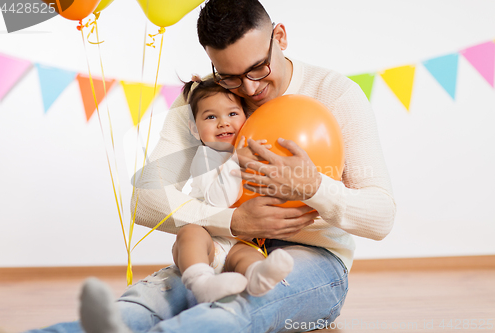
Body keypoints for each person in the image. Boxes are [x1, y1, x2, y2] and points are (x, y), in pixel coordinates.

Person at [27, 0, 396, 332]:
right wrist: (233, 221)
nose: (249, 90)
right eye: (230, 76)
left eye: (258, 68)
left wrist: (313, 187)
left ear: (279, 37)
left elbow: (381, 216)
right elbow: (145, 201)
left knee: (241, 308)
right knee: (142, 307)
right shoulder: (205, 99)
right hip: (220, 247)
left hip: (314, 259)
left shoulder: (335, 93)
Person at [171, 76, 294, 304]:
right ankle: (202, 283)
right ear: (194, 129)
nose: (223, 123)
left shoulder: (244, 152)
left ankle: (257, 275)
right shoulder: (206, 156)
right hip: (207, 243)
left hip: (238, 242)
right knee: (189, 233)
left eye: (232, 114)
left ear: (246, 119)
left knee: (246, 256)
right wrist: (236, 160)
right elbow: (219, 200)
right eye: (210, 117)